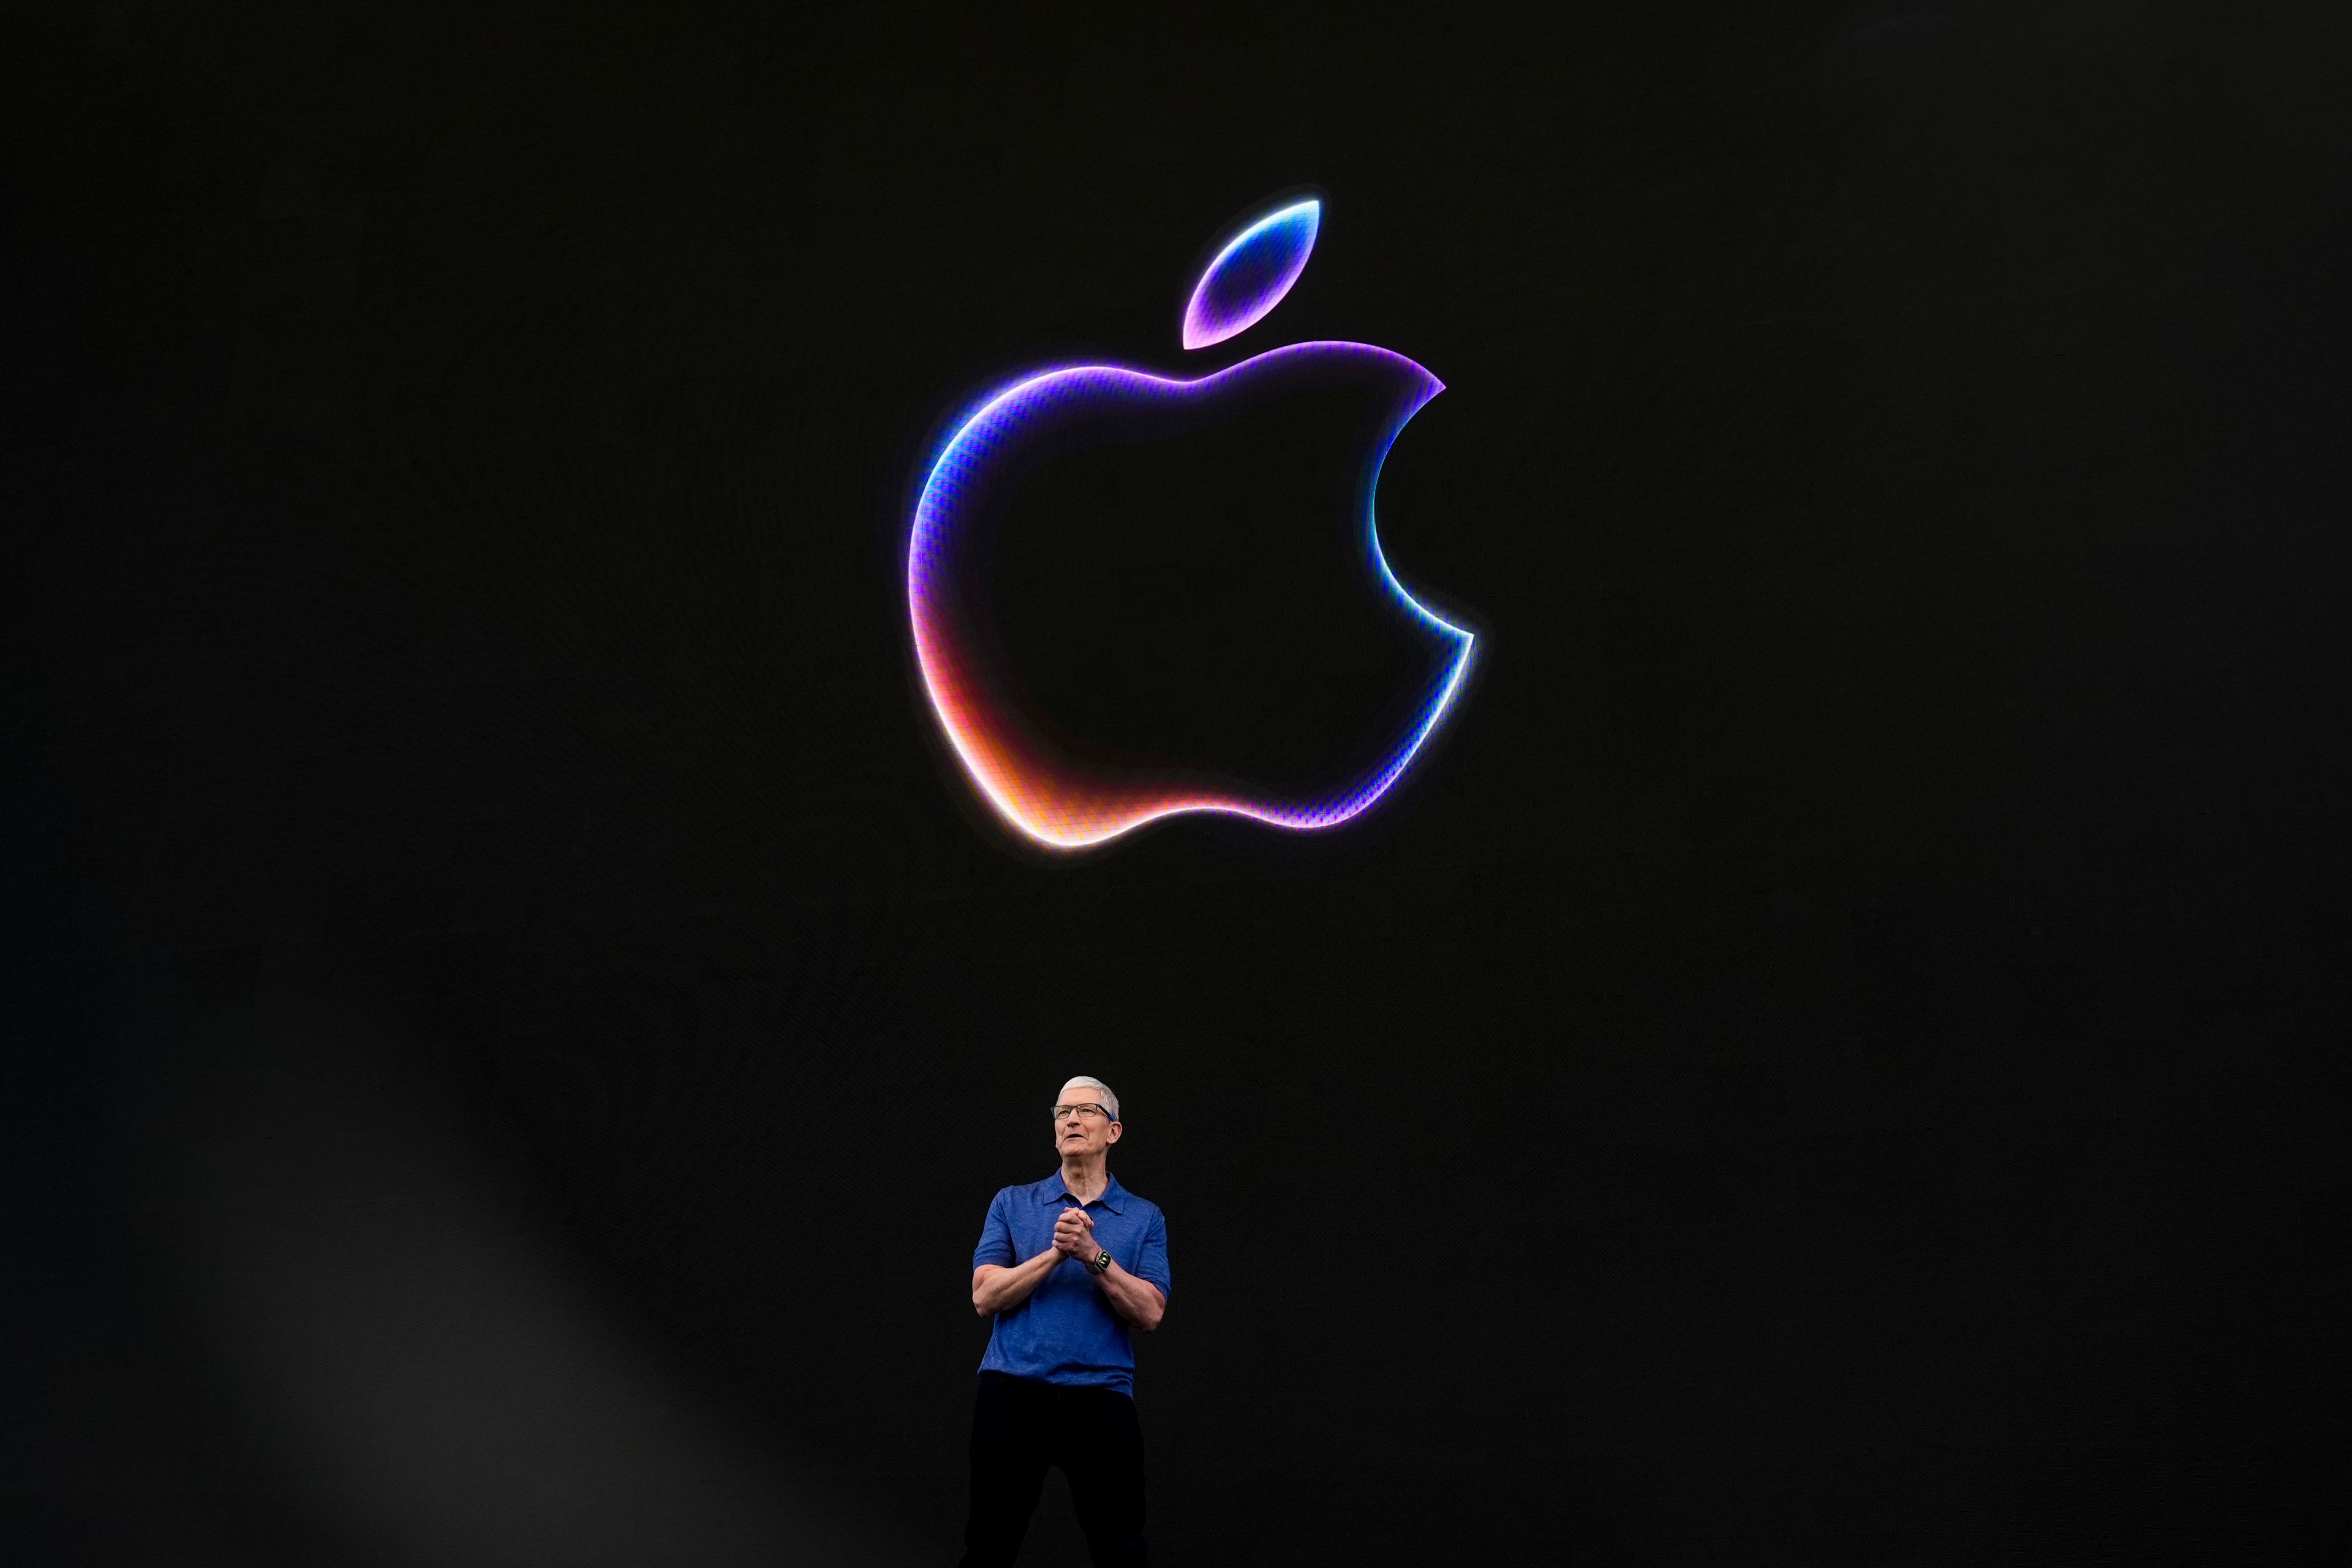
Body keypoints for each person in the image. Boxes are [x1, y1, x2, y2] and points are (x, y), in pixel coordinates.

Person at [959, 1076, 1172, 1568]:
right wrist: (1057, 1253)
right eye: (1062, 1112)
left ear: (1113, 1131)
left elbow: (1151, 1312)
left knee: (1121, 1550)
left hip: (1101, 1396)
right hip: (1012, 1392)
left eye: (1086, 1110)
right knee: (989, 1547)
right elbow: (984, 1296)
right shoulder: (1012, 1203)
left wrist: (1094, 1255)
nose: (1071, 1120)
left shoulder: (1144, 1217)